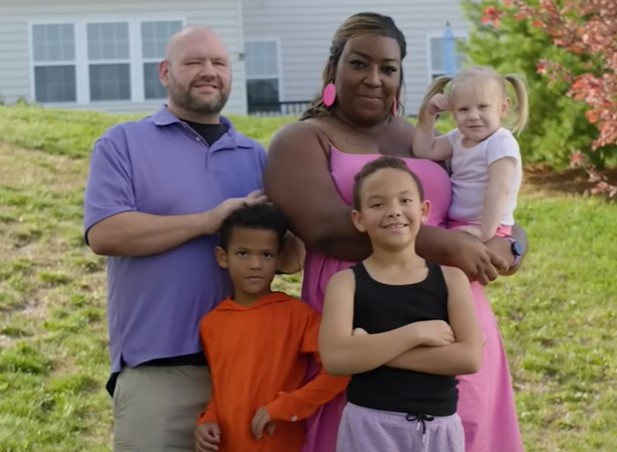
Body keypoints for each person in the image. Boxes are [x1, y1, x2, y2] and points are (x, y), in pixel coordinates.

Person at [264, 11, 526, 452]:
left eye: (388, 69)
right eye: (359, 63)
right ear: (334, 68)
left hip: (454, 319)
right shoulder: (302, 139)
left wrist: (511, 240)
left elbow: (486, 194)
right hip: (362, 316)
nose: (373, 79)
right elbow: (327, 228)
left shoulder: (424, 139)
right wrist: (444, 244)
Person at [83, 25, 288, 451]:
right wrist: (209, 220)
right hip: (160, 373)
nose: (208, 71)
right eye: (194, 62)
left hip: (249, 373)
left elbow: (287, 260)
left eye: (219, 63)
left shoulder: (256, 156)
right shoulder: (123, 142)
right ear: (164, 72)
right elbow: (105, 233)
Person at [319, 156, 483, 451]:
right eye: (378, 204)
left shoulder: (451, 279)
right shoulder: (346, 283)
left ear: (423, 211)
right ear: (359, 219)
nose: (394, 211)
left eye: (404, 200)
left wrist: (370, 351)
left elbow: (468, 358)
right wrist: (415, 334)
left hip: (439, 429)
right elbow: (335, 360)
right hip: (369, 426)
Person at [195, 204, 349, 452]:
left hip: (281, 444)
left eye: (266, 255)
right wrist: (208, 419)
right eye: (243, 253)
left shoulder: (298, 315)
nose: (255, 264)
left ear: (278, 259)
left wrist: (288, 407)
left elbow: (340, 371)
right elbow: (224, 388)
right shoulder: (212, 323)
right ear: (222, 257)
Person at [413, 67, 528, 248]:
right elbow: (424, 150)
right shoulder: (458, 137)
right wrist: (428, 115)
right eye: (463, 109)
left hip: (489, 228)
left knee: (459, 272)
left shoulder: (500, 142)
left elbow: (499, 189)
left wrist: (485, 231)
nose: (473, 116)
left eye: (483, 107)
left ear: (503, 108)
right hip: (458, 225)